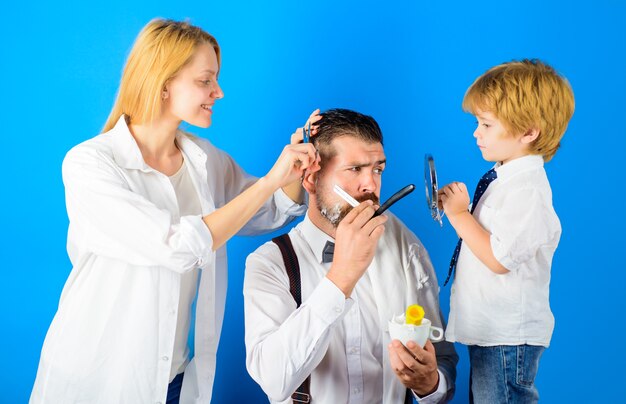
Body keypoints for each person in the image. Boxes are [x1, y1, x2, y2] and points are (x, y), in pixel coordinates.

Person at [30, 19, 320, 404]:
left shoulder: (205, 160)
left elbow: (265, 212)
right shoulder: (90, 164)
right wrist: (269, 181)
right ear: (164, 83)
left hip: (173, 378)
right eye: (205, 81)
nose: (218, 92)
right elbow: (176, 246)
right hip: (99, 377)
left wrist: (295, 168)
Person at [244, 108, 458, 403]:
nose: (371, 185)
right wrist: (341, 277)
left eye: (378, 169)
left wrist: (430, 385)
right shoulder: (270, 263)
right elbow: (273, 380)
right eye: (355, 169)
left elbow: (442, 356)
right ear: (310, 179)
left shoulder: (406, 247)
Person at [439, 59, 575, 403]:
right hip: (492, 331)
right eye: (477, 122)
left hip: (507, 336)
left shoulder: (527, 190)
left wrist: (459, 215)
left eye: (486, 124)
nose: (476, 132)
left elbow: (499, 258)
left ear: (529, 132)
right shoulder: (505, 180)